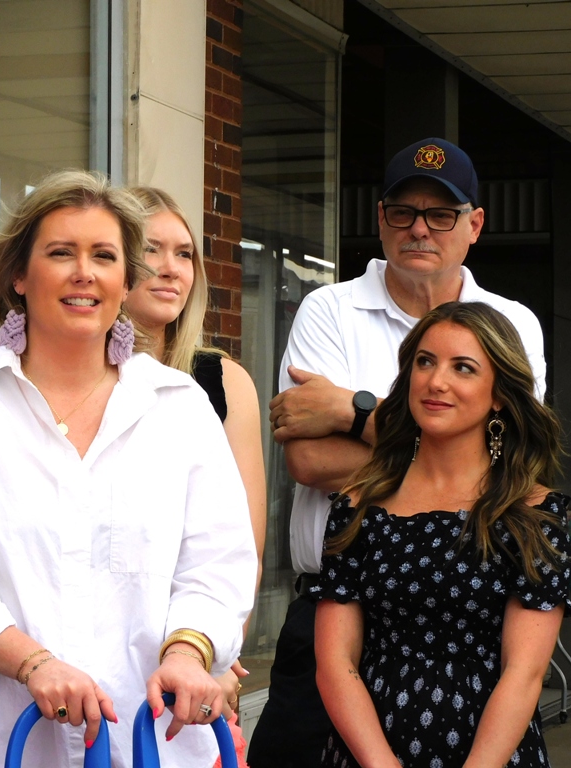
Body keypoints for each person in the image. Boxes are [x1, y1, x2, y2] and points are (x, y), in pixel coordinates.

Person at [0, 170, 258, 768]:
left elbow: (217, 563)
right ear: (19, 275)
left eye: (104, 256)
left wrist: (188, 653)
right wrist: (33, 663)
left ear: (125, 281)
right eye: (61, 252)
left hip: (147, 736)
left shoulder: (179, 406)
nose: (84, 272)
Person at [249, 137, 547, 768]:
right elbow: (308, 463)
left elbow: (509, 464)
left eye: (440, 214)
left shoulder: (513, 323)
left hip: (474, 623)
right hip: (334, 606)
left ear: (474, 225)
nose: (419, 229)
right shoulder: (329, 309)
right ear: (381, 219)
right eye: (403, 212)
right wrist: (448, 450)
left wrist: (351, 411)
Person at [312, 301, 569, 766]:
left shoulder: (535, 515)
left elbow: (524, 673)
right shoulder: (358, 505)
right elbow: (335, 662)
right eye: (425, 361)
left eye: (463, 367)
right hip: (366, 750)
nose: (436, 381)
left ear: (499, 394)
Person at [123, 186, 266, 717]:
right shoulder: (73, 380)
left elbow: (241, 546)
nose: (171, 268)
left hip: (195, 655)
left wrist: (217, 653)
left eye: (184, 254)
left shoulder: (222, 379)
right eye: (151, 249)